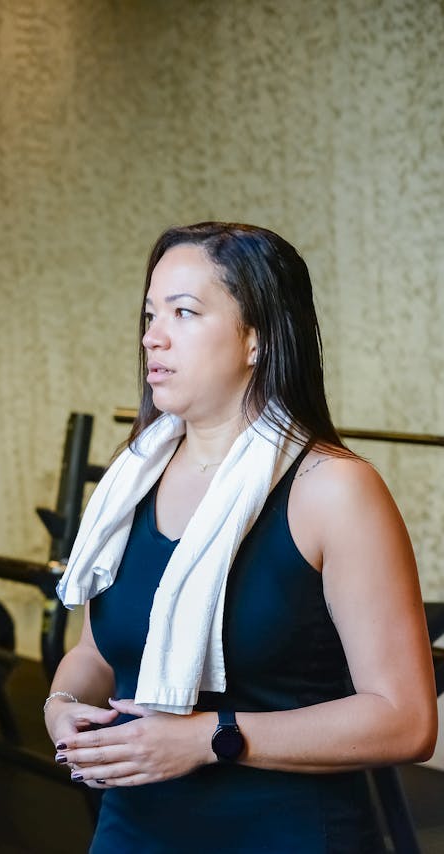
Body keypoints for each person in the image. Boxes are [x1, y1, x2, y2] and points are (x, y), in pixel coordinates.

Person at [45, 222, 437, 852]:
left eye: (184, 312)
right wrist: (61, 707)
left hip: (286, 831)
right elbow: (97, 654)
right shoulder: (132, 479)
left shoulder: (332, 490)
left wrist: (207, 738)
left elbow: (405, 720)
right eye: (149, 314)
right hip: (133, 827)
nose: (153, 336)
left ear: (256, 338)